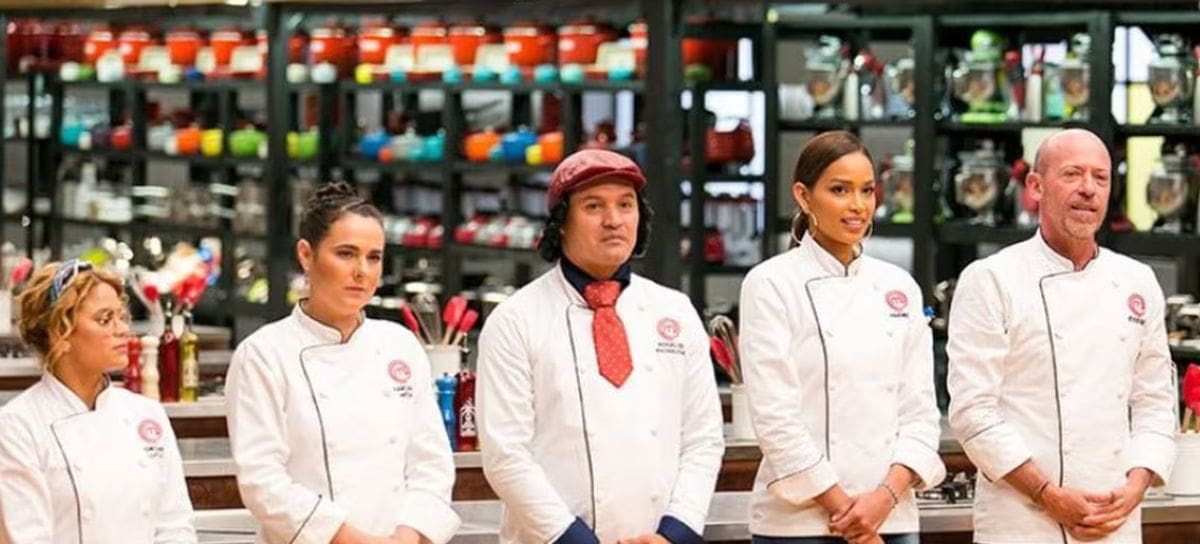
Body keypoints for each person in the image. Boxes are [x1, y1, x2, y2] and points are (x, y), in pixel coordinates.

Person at [476, 149, 725, 544]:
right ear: (561, 223)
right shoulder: (516, 320)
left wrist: (674, 534)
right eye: (594, 206)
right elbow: (506, 455)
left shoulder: (674, 311)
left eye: (625, 205)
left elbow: (703, 438)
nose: (614, 220)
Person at [947, 128, 1177, 543]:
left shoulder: (1137, 281)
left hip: (1114, 519)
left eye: (1100, 178)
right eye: (1072, 174)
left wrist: (1136, 487)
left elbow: (1156, 402)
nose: (1088, 189)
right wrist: (1047, 494)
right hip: (1022, 522)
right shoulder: (991, 279)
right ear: (1036, 187)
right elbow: (972, 412)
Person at [739, 131, 945, 544]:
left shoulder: (899, 287)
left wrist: (883, 499)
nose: (858, 205)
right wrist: (847, 512)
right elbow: (776, 419)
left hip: (892, 518)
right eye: (839, 190)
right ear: (803, 196)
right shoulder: (771, 284)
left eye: (866, 190)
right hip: (799, 526)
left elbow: (920, 412)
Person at [225, 182, 460, 544]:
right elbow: (263, 482)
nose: (362, 271)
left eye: (374, 257)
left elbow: (431, 464)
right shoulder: (264, 354)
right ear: (306, 254)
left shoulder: (399, 345)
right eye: (346, 254)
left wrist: (407, 537)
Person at [0, 260, 196, 543]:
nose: (123, 330)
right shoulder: (18, 427)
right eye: (105, 319)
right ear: (59, 333)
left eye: (122, 317)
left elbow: (175, 525)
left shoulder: (146, 414)